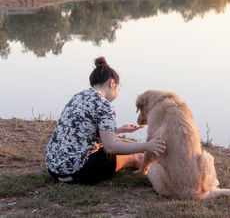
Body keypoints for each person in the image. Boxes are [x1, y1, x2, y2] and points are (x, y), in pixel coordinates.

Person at [45, 57, 166, 185]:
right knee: (134, 156)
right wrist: (147, 145)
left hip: (54, 169)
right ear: (112, 83)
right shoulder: (104, 105)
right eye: (118, 89)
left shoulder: (78, 96)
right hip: (77, 172)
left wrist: (117, 131)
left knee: (122, 141)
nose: (117, 93)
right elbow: (110, 147)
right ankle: (166, 174)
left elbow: (81, 132)